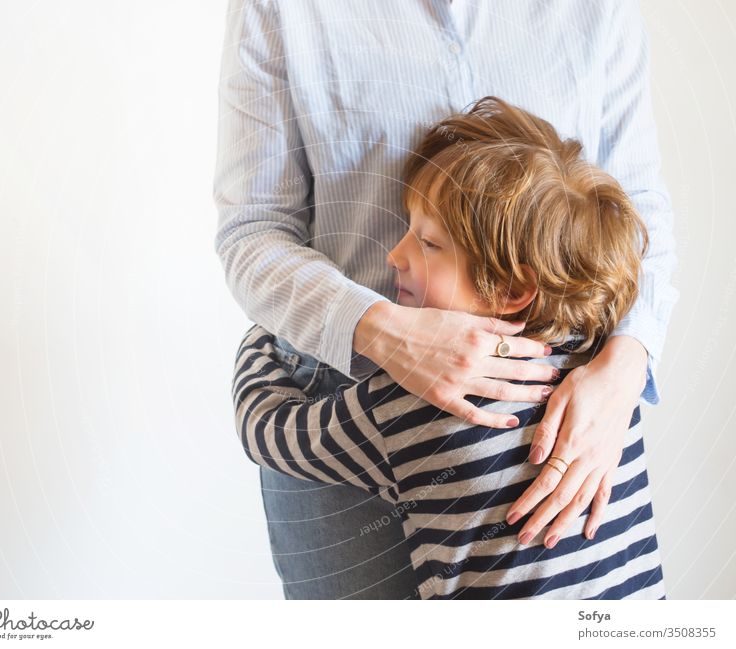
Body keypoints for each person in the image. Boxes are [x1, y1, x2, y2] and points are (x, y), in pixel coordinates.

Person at [214, 0, 678, 598]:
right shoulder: (281, 11)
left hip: (562, 414)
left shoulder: (391, 417)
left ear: (518, 286)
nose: (395, 254)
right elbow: (254, 229)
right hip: (345, 383)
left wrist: (625, 367)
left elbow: (269, 428)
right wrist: (377, 328)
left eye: (426, 240)